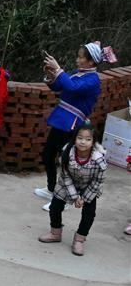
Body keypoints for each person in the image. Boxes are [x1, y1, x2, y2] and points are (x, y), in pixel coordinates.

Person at [34, 42, 114, 210]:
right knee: (48, 155)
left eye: (80, 57)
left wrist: (59, 70)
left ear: (91, 62)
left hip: (73, 124)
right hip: (61, 120)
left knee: (66, 162)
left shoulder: (92, 80)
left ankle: (64, 199)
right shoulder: (78, 73)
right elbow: (59, 86)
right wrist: (51, 74)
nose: (77, 59)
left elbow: (72, 87)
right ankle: (51, 189)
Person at [38, 123, 107, 256]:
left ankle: (80, 239)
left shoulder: (99, 159)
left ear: (94, 142)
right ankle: (55, 233)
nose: (83, 142)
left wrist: (84, 198)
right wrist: (75, 196)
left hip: (89, 187)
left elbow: (98, 181)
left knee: (89, 214)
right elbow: (65, 176)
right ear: (74, 138)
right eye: (80, 138)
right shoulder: (66, 153)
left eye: (88, 139)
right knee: (55, 207)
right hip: (67, 184)